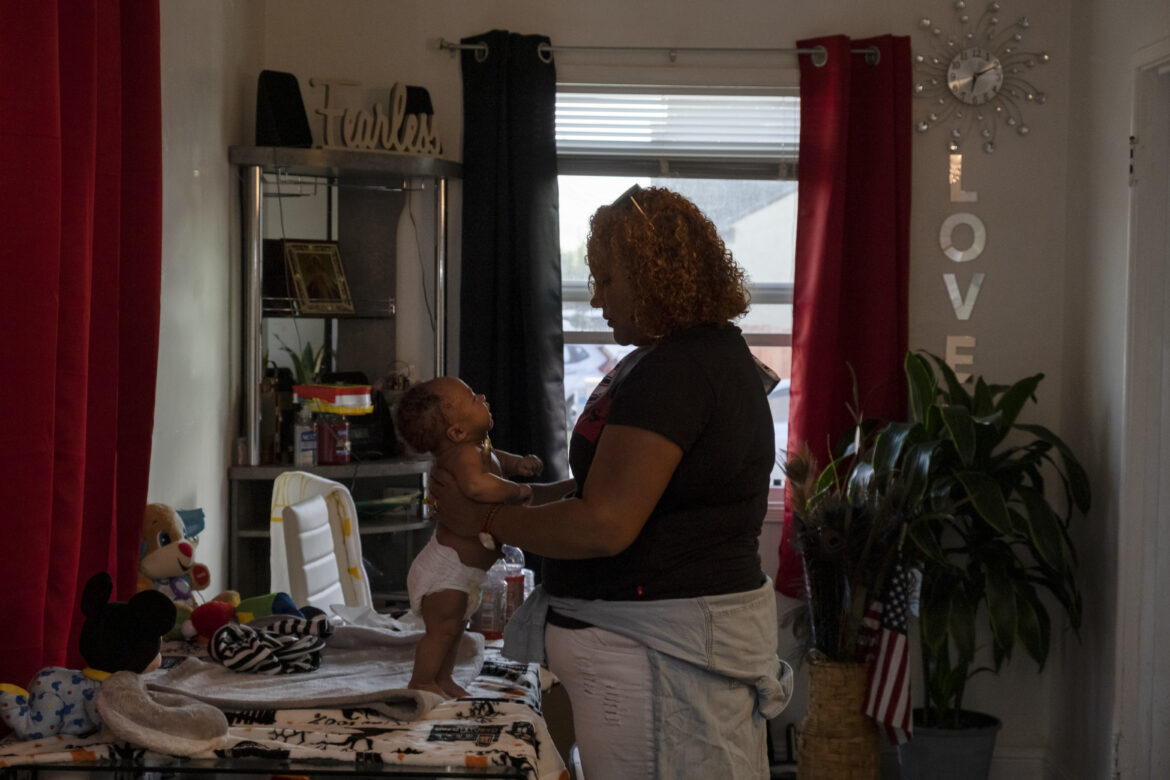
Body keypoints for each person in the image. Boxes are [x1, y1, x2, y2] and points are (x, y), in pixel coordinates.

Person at [427, 185, 793, 778]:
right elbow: (597, 488)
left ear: (654, 278)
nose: (597, 297)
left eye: (606, 279)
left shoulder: (679, 369)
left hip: (660, 661)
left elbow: (604, 523)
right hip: (649, 655)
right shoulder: (673, 356)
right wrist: (513, 495)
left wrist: (486, 520)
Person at [394, 376, 543, 699]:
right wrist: (516, 490)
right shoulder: (462, 458)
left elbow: (496, 460)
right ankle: (421, 681)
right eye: (473, 398)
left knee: (453, 629)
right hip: (445, 571)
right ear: (457, 432)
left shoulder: (476, 449)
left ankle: (442, 679)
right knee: (441, 631)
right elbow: (478, 486)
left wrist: (516, 464)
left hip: (460, 573)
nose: (483, 396)